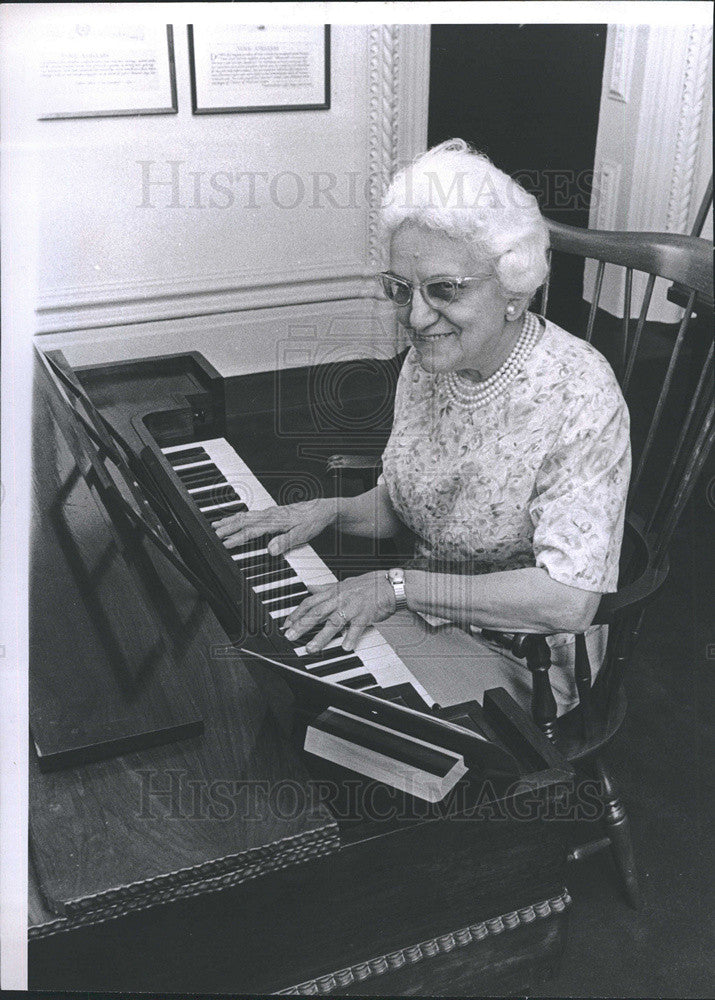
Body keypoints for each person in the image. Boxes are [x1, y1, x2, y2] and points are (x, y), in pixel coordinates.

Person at [216, 139, 631, 714]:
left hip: (525, 657)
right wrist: (334, 509)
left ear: (513, 290)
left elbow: (568, 601)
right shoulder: (433, 360)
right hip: (426, 609)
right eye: (401, 289)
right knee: (267, 664)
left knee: (306, 706)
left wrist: (397, 587)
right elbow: (415, 503)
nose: (414, 317)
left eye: (443, 290)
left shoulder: (579, 391)